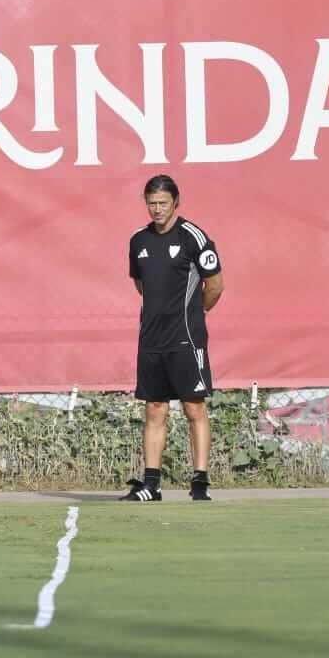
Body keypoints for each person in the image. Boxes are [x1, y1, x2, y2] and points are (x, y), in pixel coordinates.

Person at [124, 174, 224, 502]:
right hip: (151, 341)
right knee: (154, 409)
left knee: (194, 408)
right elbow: (142, 287)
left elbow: (215, 285)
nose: (157, 210)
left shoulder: (194, 237)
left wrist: (193, 317)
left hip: (186, 340)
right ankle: (151, 484)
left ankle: (200, 482)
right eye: (151, 203)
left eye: (163, 203)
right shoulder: (138, 240)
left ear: (176, 202)